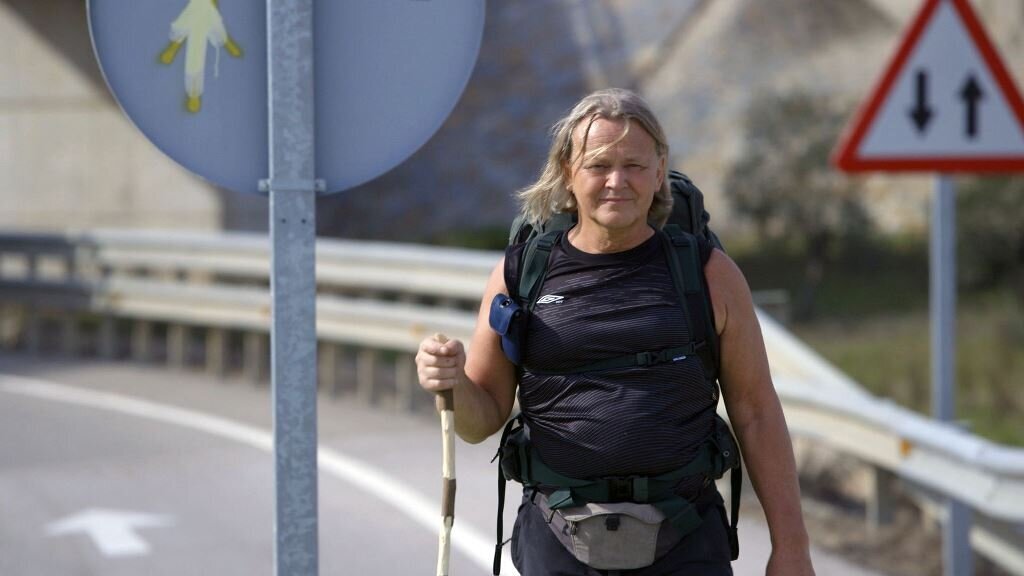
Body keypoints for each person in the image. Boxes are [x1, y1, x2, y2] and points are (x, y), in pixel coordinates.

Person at [416, 88, 814, 575]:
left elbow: (756, 412)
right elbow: (481, 422)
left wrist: (791, 549)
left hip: (685, 538)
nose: (616, 182)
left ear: (660, 170)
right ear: (568, 172)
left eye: (634, 165)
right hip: (557, 536)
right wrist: (452, 381)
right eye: (599, 165)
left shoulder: (709, 274)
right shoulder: (520, 275)